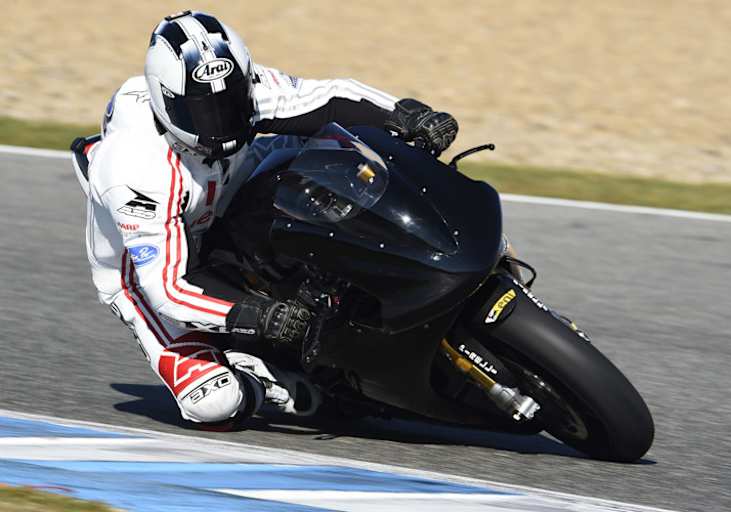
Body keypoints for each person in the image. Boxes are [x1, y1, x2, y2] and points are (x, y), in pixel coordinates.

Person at [77, 10, 458, 430]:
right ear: (167, 103)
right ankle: (261, 372)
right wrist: (259, 316)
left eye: (229, 104)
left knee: (325, 148)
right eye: (204, 113)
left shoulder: (242, 88)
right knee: (216, 403)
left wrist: (405, 115)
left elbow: (328, 98)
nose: (221, 121)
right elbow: (169, 287)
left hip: (227, 193)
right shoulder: (135, 170)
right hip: (155, 272)